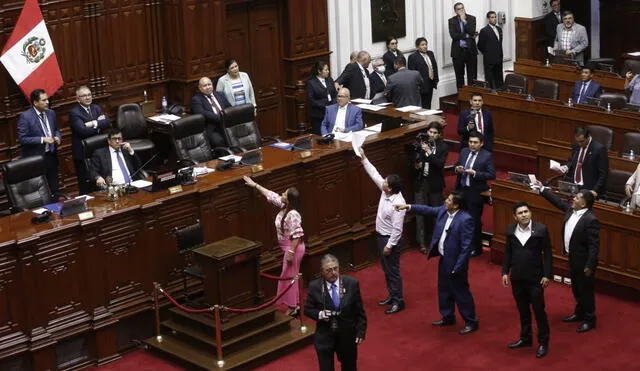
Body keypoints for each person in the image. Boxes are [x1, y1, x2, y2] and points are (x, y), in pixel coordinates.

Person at [395, 191, 479, 335]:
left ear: (457, 205)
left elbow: (466, 247)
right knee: (444, 289)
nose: (446, 201)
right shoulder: (443, 211)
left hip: (456, 263)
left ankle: (471, 321)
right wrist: (407, 207)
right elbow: (427, 210)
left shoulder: (466, 220)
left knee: (461, 292)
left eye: (450, 200)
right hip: (444, 259)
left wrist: (458, 267)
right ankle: (448, 316)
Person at [534, 183, 599, 333]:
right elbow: (557, 202)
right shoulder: (571, 211)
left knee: (586, 290)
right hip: (572, 257)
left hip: (584, 262)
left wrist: (590, 265)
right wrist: (542, 189)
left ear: (583, 203)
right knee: (576, 287)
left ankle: (590, 319)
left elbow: (594, 246)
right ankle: (580, 312)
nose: (573, 199)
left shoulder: (591, 220)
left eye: (576, 198)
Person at [243, 176, 305, 317]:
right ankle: (294, 303)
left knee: (288, 276)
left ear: (288, 199)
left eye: (284, 193)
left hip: (294, 249)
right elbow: (271, 195)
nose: (281, 194)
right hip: (289, 248)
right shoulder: (284, 206)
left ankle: (292, 306)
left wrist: (291, 251)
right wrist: (256, 185)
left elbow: (297, 235)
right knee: (290, 275)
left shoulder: (293, 214)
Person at [501, 202, 552, 358]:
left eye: (526, 211)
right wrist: (504, 271)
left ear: (530, 213)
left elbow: (548, 254)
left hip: (535, 279)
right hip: (517, 278)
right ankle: (525, 338)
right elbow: (508, 253)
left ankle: (543, 342)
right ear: (515, 216)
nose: (524, 215)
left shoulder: (541, 230)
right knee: (523, 311)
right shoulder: (510, 230)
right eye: (520, 213)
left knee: (539, 311)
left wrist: (547, 275)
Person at [359, 147, 406, 314]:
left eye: (385, 182)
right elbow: (375, 174)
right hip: (381, 237)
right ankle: (392, 295)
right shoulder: (385, 191)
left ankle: (398, 301)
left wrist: (390, 245)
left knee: (393, 270)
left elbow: (398, 229)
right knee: (386, 270)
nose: (382, 182)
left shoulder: (398, 204)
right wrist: (364, 158)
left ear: (391, 188)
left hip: (389, 240)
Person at [305, 254, 367, 371]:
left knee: (349, 367)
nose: (333, 273)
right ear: (322, 272)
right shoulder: (315, 287)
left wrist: (360, 331)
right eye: (329, 270)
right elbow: (308, 309)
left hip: (347, 335)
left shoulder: (351, 283)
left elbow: (359, 311)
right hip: (325, 336)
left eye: (335, 268)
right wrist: (319, 314)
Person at [455, 131, 496, 257]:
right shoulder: (464, 151)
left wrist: (475, 173)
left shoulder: (486, 156)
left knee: (473, 221)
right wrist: (457, 169)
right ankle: (462, 244)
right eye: (470, 142)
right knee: (460, 218)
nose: (472, 145)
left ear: (481, 143)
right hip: (462, 190)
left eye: (475, 142)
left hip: (476, 192)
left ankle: (475, 247)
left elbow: (491, 174)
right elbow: (457, 165)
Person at [17, 89, 62, 195]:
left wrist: (57, 136)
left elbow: (56, 129)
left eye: (47, 99)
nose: (47, 102)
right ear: (35, 102)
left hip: (51, 155)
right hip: (36, 158)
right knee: (41, 191)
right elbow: (22, 138)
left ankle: (56, 209)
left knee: (54, 187)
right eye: (44, 100)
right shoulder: (25, 117)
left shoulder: (51, 113)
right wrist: (42, 139)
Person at [413, 121, 448, 253]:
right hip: (421, 182)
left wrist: (429, 153)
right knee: (420, 213)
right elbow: (414, 160)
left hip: (435, 184)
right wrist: (416, 165)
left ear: (439, 134)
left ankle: (436, 241)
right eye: (430, 132)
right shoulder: (420, 144)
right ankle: (421, 242)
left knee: (435, 213)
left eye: (434, 133)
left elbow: (440, 164)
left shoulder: (443, 147)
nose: (431, 135)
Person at [69, 86, 111, 194]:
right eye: (84, 96)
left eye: (89, 95)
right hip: (82, 152)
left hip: (98, 149)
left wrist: (92, 123)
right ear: (78, 99)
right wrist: (98, 124)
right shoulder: (74, 113)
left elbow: (107, 122)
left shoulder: (96, 108)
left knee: (102, 178)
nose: (88, 97)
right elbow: (82, 131)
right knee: (85, 183)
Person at [555, 127, 608, 197]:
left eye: (582, 141)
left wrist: (595, 190)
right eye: (577, 141)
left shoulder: (599, 149)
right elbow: (572, 161)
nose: (579, 144)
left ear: (588, 136)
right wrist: (566, 167)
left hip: (588, 189)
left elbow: (603, 173)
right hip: (574, 186)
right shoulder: (576, 145)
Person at [191, 77, 232, 148]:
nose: (207, 87)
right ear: (200, 88)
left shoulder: (220, 94)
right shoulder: (196, 99)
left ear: (212, 85)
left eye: (209, 84)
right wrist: (221, 118)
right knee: (219, 141)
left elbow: (229, 108)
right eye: (205, 86)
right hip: (213, 128)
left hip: (227, 125)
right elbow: (202, 113)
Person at [448, 2, 478, 89]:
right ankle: (461, 96)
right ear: (455, 11)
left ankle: (472, 96)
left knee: (472, 76)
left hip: (470, 51)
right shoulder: (452, 21)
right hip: (458, 52)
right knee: (459, 77)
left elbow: (472, 32)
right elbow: (453, 36)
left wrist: (464, 21)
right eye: (458, 9)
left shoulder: (472, 18)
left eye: (462, 8)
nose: (461, 10)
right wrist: (467, 36)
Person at [306, 61, 338, 135]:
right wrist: (325, 106)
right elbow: (311, 100)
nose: (328, 71)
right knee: (321, 136)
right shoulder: (311, 83)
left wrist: (332, 105)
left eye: (328, 69)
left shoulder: (330, 80)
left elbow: (335, 95)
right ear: (319, 71)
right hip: (318, 115)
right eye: (326, 70)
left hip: (331, 113)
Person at [407, 37, 439, 109]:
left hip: (431, 82)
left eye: (426, 44)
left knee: (429, 102)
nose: (425, 46)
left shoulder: (430, 53)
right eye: (422, 45)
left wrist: (436, 79)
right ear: (417, 47)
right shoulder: (413, 57)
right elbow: (412, 73)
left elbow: (434, 67)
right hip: (421, 85)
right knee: (423, 104)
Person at [477, 11, 504, 90]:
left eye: (495, 17)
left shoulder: (499, 29)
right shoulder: (484, 31)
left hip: (499, 58)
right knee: (489, 78)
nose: (494, 19)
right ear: (488, 19)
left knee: (499, 76)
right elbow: (480, 45)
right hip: (489, 59)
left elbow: (499, 43)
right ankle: (491, 93)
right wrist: (487, 53)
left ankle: (500, 92)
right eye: (492, 17)